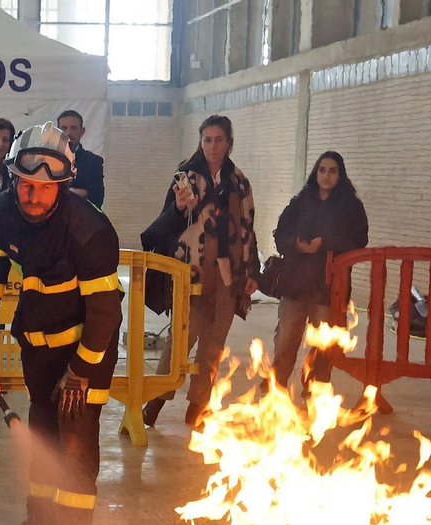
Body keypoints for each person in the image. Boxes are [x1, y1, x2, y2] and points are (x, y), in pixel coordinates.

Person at [0, 122, 123, 525]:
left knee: (75, 452)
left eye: (44, 186)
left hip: (85, 357)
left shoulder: (89, 229)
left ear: (61, 185)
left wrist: (80, 372)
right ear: (13, 179)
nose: (33, 195)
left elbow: (105, 311)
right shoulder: (4, 210)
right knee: (41, 432)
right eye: (26, 184)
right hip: (37, 348)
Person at [142, 116, 265, 428]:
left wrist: (253, 271)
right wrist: (181, 208)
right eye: (207, 139)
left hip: (228, 275)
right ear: (201, 141)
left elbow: (248, 228)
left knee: (214, 343)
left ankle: (198, 403)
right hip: (192, 271)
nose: (212, 146)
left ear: (229, 142)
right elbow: (164, 222)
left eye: (219, 139)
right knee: (182, 337)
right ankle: (158, 396)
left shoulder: (238, 181)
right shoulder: (186, 175)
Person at [267, 150, 368, 395]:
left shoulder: (351, 207)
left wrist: (325, 243)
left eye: (332, 170)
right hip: (295, 286)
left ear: (340, 174)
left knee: (323, 347)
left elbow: (359, 242)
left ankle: (315, 394)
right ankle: (276, 392)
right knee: (285, 343)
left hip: (328, 288)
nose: (326, 175)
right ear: (315, 173)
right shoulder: (300, 202)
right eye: (322, 170)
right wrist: (296, 245)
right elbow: (280, 235)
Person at [56, 110, 104, 208]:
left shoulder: (93, 162)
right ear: (57, 131)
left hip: (81, 219)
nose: (68, 133)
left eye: (73, 128)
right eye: (64, 128)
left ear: (82, 131)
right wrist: (81, 192)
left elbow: (97, 198)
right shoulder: (47, 158)